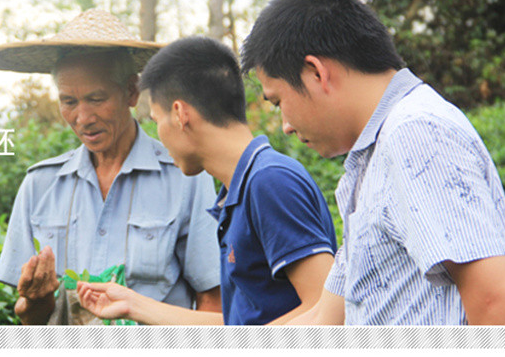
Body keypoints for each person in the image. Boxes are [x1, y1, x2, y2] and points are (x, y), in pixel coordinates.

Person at [240, 0, 505, 325]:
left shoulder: (415, 132)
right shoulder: (371, 158)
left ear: (316, 73)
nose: (285, 126)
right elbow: (327, 318)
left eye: (278, 102)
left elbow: (493, 300)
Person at [0, 10, 222, 325]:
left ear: (131, 92)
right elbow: (31, 319)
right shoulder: (40, 185)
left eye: (96, 99)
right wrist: (33, 299)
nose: (83, 118)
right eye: (69, 102)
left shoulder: (186, 178)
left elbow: (212, 302)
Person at [77, 36, 337, 325]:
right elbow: (239, 327)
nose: (158, 136)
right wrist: (133, 304)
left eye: (155, 120)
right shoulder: (238, 190)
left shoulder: (269, 182)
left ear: (179, 114)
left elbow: (326, 313)